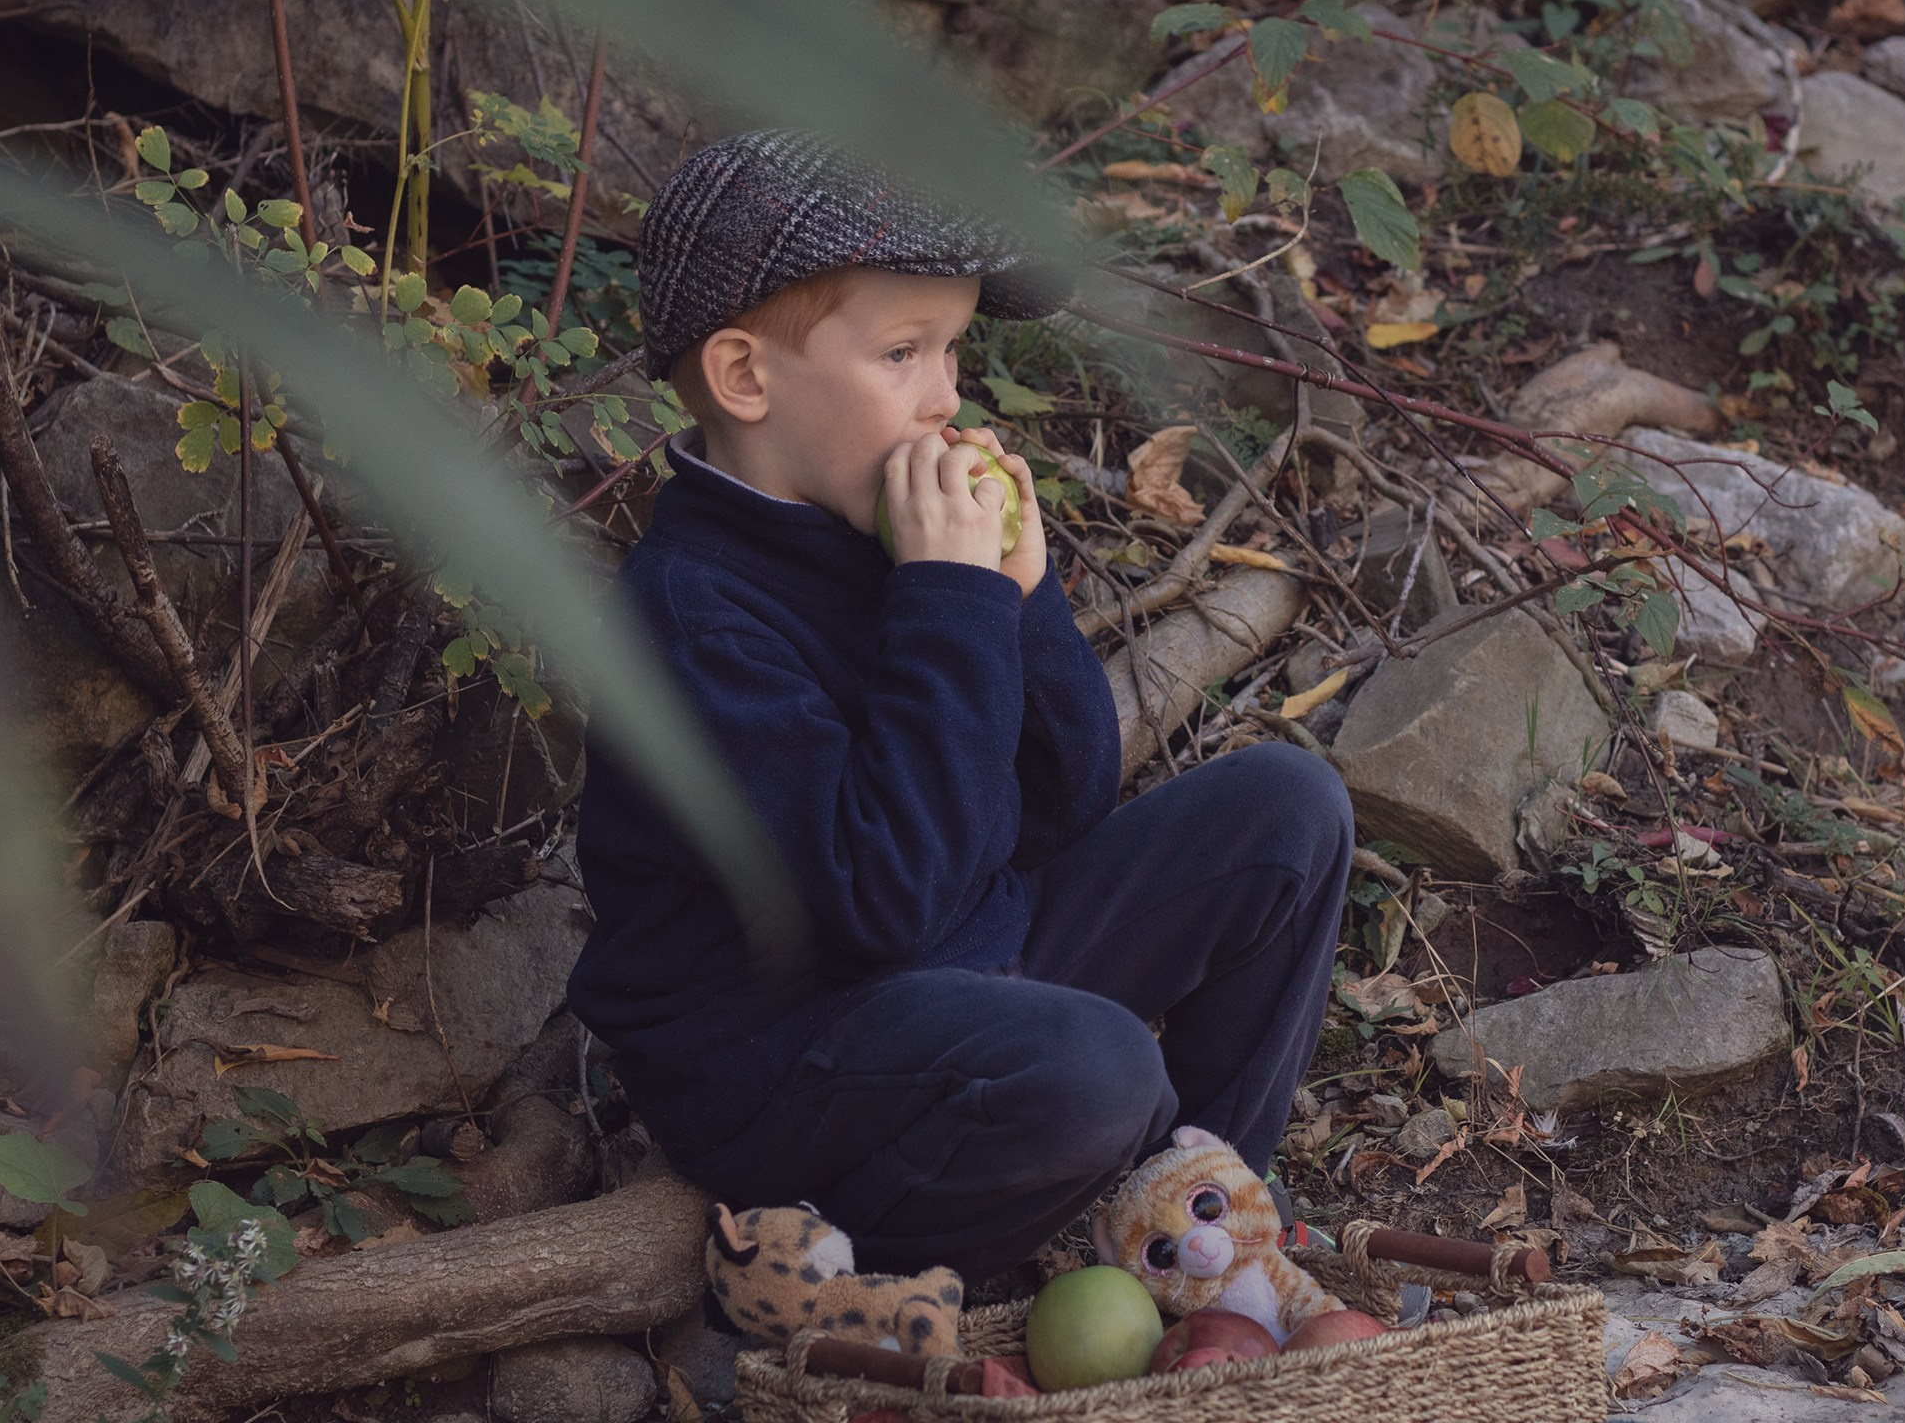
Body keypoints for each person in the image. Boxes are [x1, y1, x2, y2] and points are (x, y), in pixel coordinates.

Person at [570, 131, 1352, 1281]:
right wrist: (948, 597)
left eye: (954, 349)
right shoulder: (693, 618)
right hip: (787, 1055)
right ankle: (851, 1282)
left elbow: (1063, 809)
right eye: (903, 352)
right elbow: (883, 903)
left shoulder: (876, 526)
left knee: (1288, 808)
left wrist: (1019, 602)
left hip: (965, 969)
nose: (946, 397)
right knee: (1093, 1072)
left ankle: (1196, 1235)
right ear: (746, 378)